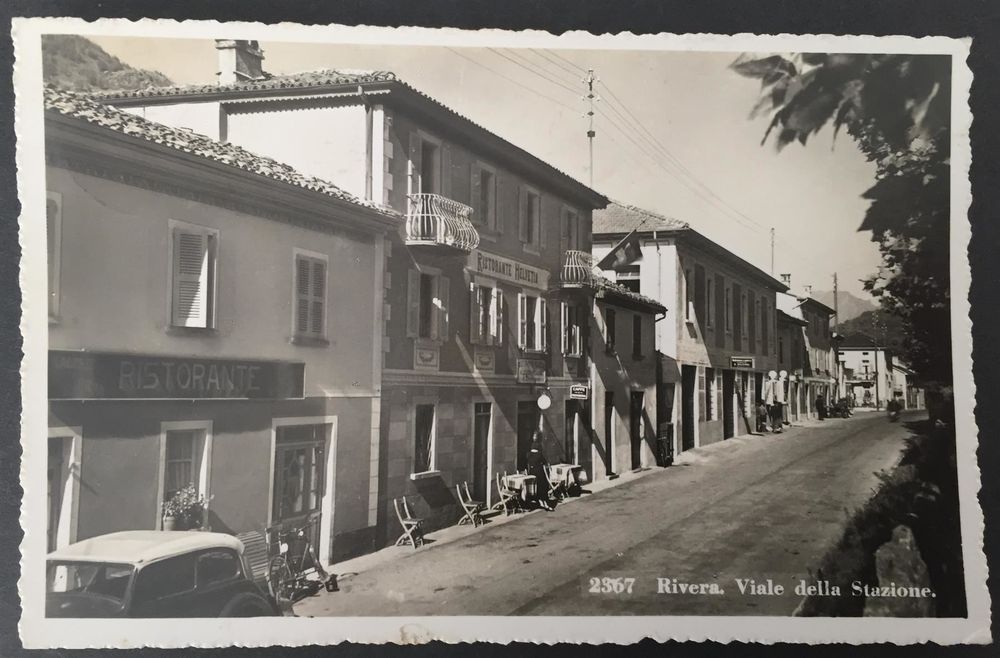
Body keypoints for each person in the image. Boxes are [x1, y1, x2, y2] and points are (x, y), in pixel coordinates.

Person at [525, 431, 554, 511]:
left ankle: (540, 501)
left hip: (533, 471)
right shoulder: (538, 450)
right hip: (538, 471)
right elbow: (543, 459)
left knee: (538, 485)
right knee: (542, 484)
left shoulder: (529, 453)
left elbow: (529, 460)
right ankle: (543, 501)